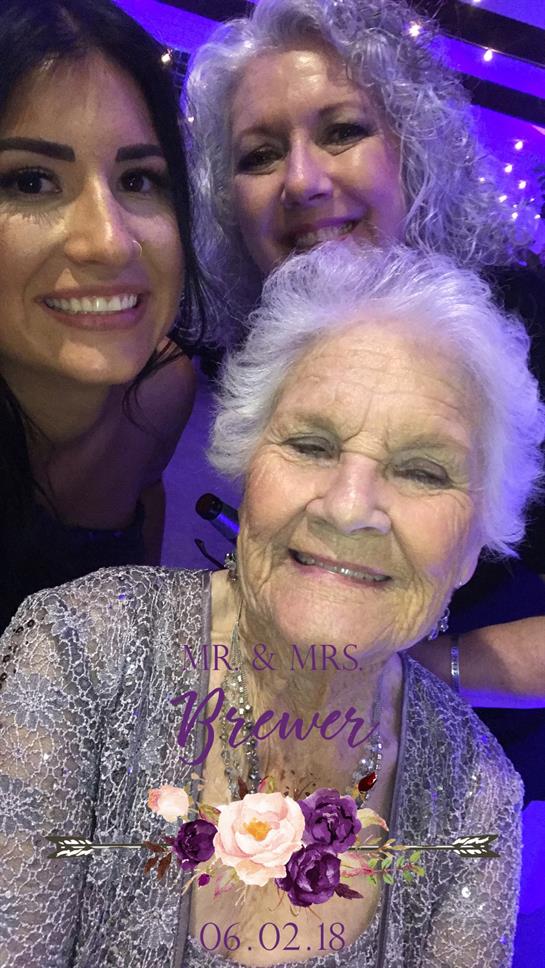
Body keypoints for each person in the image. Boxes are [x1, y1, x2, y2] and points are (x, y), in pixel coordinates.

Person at [1, 243, 542, 966]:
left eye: (421, 471)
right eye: (312, 445)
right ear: (247, 465)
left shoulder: (478, 796)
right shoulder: (80, 649)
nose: (348, 507)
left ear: (475, 541)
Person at [184, 0, 545, 716]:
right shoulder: (234, 351)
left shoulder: (526, 325)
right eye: (259, 155)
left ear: (414, 147)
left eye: (342, 132)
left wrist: (408, 671)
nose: (300, 180)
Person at [0, 0, 207, 636]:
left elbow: (144, 520)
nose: (111, 243)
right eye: (32, 181)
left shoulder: (165, 388)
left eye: (139, 180)